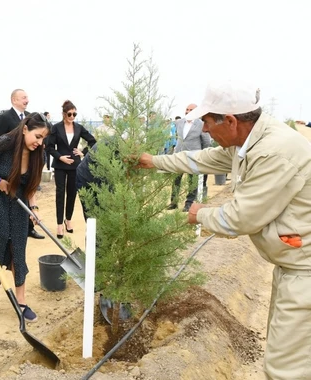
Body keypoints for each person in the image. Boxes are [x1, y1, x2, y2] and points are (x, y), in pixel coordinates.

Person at [137, 80, 311, 380]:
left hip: (304, 271)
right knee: (291, 356)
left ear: (230, 121)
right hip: (292, 265)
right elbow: (199, 159)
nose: (204, 131)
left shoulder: (273, 151)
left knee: (286, 369)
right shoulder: (247, 142)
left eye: (206, 122)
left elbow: (240, 218)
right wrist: (153, 162)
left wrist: (201, 215)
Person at [0, 113, 50, 324]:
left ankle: (21, 302)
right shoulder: (6, 142)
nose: (39, 143)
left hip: (19, 207)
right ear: (25, 129)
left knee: (18, 252)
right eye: (37, 136)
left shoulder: (36, 154)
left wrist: (34, 208)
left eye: (43, 139)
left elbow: (30, 184)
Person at [0, 89, 44, 239]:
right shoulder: (5, 117)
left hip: (26, 166)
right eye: (23, 98)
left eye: (27, 97)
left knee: (26, 195)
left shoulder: (29, 118)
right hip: (9, 169)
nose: (26, 100)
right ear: (14, 100)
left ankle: (28, 229)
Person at [46, 100, 96, 238]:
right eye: (70, 114)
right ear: (63, 114)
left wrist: (83, 152)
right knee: (60, 193)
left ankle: (68, 220)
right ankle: (59, 225)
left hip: (75, 165)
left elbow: (93, 141)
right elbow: (49, 147)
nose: (72, 116)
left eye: (75, 114)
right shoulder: (55, 128)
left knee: (72, 193)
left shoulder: (79, 128)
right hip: (60, 165)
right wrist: (60, 157)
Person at [168, 103, 211, 211]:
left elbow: (206, 141)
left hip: (193, 156)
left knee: (192, 181)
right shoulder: (179, 122)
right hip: (178, 155)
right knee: (176, 180)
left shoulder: (201, 124)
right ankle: (173, 202)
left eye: (191, 109)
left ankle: (189, 203)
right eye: (187, 109)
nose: (188, 111)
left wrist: (200, 153)